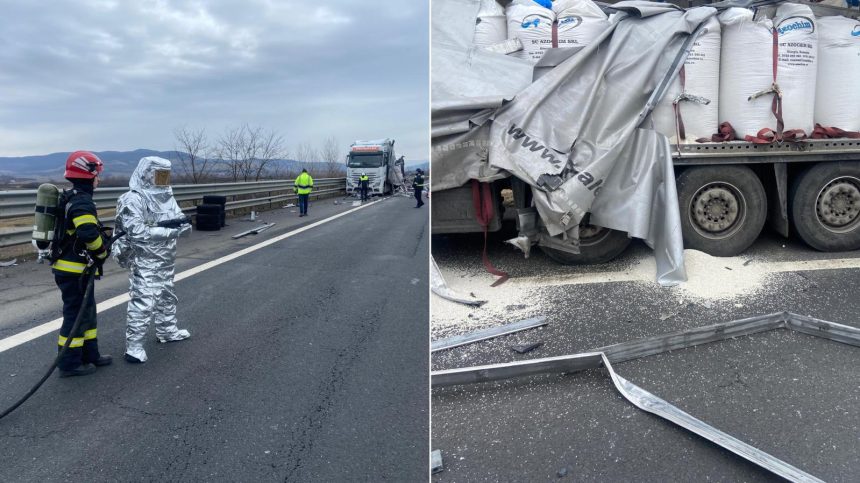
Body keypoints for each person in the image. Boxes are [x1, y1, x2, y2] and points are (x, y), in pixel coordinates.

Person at [113, 157, 192, 363]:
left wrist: (178, 228)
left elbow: (183, 225)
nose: (163, 179)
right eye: (159, 174)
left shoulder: (167, 196)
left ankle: (167, 331)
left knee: (166, 296)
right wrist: (169, 231)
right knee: (144, 301)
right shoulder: (132, 199)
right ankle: (134, 346)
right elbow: (137, 232)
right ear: (147, 173)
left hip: (166, 258)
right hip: (144, 258)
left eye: (166, 175)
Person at [52, 151, 112, 377]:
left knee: (87, 311)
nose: (99, 178)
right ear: (88, 174)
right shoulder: (82, 201)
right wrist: (101, 251)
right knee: (75, 314)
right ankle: (69, 363)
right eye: (97, 174)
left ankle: (90, 354)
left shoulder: (74, 197)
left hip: (77, 269)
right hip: (73, 270)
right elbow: (87, 233)